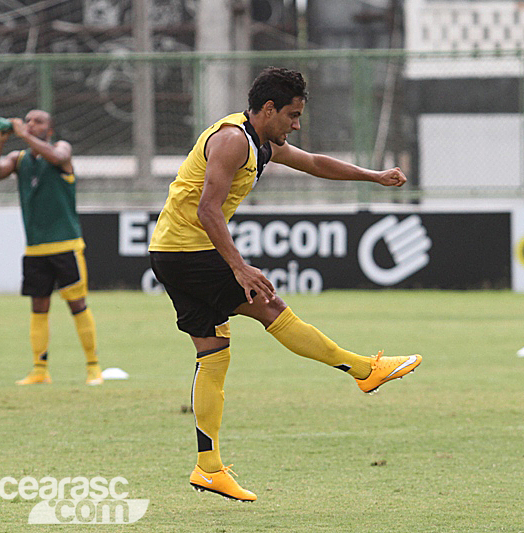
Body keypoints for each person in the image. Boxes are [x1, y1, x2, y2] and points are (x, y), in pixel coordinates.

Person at [148, 66, 422, 502]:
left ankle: (208, 466)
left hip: (174, 252)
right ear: (269, 108)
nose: (296, 125)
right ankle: (364, 370)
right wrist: (239, 267)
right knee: (271, 307)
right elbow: (207, 210)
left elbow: (313, 164)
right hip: (189, 251)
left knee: (213, 355)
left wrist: (373, 177)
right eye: (292, 116)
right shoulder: (232, 139)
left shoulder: (261, 142)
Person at [0, 110, 103, 386]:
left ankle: (93, 368)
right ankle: (40, 370)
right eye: (27, 121)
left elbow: (59, 157)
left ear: (49, 130)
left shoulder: (61, 149)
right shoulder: (20, 159)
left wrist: (24, 135)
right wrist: (0, 141)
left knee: (77, 305)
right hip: (36, 249)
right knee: (38, 308)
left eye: (37, 122)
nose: (30, 125)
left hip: (66, 245)